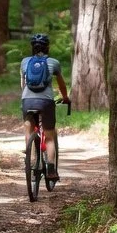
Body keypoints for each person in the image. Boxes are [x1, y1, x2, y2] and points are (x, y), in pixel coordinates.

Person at [20, 34, 70, 178]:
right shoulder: (53, 62)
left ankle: (29, 156)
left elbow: (23, 85)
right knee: (49, 135)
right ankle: (51, 170)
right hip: (46, 101)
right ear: (48, 47)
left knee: (28, 127)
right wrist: (65, 97)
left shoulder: (25, 62)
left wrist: (26, 98)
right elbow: (61, 84)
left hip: (27, 100)